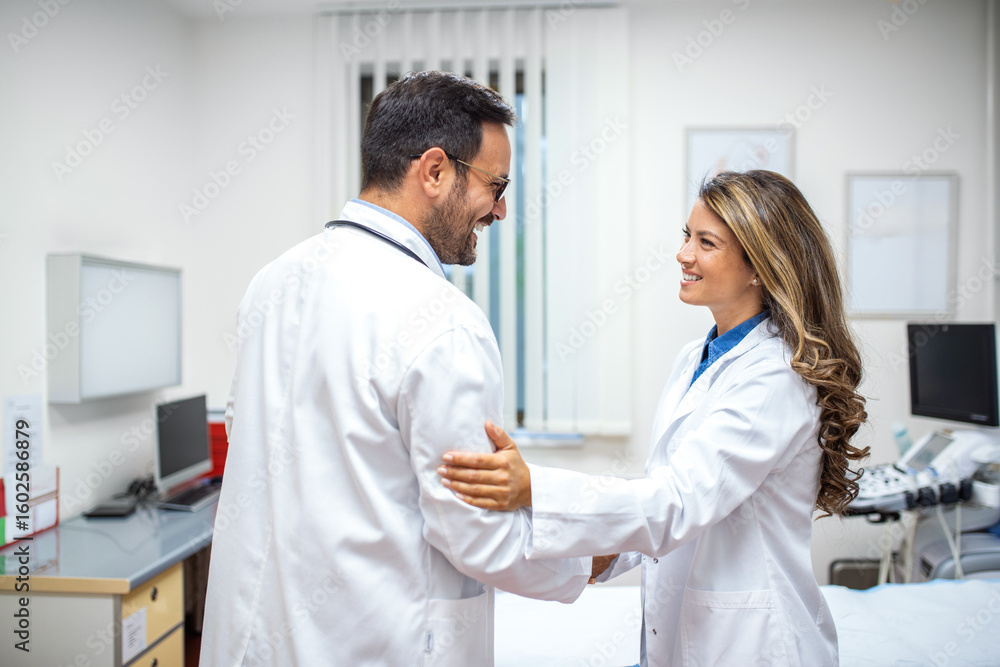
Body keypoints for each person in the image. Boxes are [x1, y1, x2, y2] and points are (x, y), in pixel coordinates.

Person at [200, 71, 600, 667]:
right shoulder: (443, 321)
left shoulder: (272, 280)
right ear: (434, 171)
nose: (500, 209)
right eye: (496, 185)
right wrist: (599, 554)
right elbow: (477, 535)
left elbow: (256, 442)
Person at [437, 170, 869, 667]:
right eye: (688, 236)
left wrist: (534, 488)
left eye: (706, 243)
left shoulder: (775, 378)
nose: (683, 254)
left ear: (760, 267)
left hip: (755, 645)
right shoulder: (695, 359)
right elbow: (667, 498)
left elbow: (677, 503)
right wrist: (596, 555)